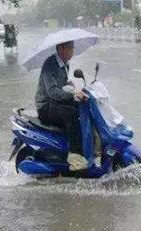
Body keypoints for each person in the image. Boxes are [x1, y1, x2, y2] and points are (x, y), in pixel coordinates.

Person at [35, 41, 88, 170]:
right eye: (70, 48)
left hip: (56, 103)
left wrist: (71, 86)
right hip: (45, 106)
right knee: (72, 114)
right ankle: (75, 157)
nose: (72, 50)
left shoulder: (65, 65)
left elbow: (61, 85)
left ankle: (83, 147)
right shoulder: (50, 64)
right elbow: (53, 91)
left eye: (72, 47)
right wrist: (73, 96)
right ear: (60, 48)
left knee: (82, 108)